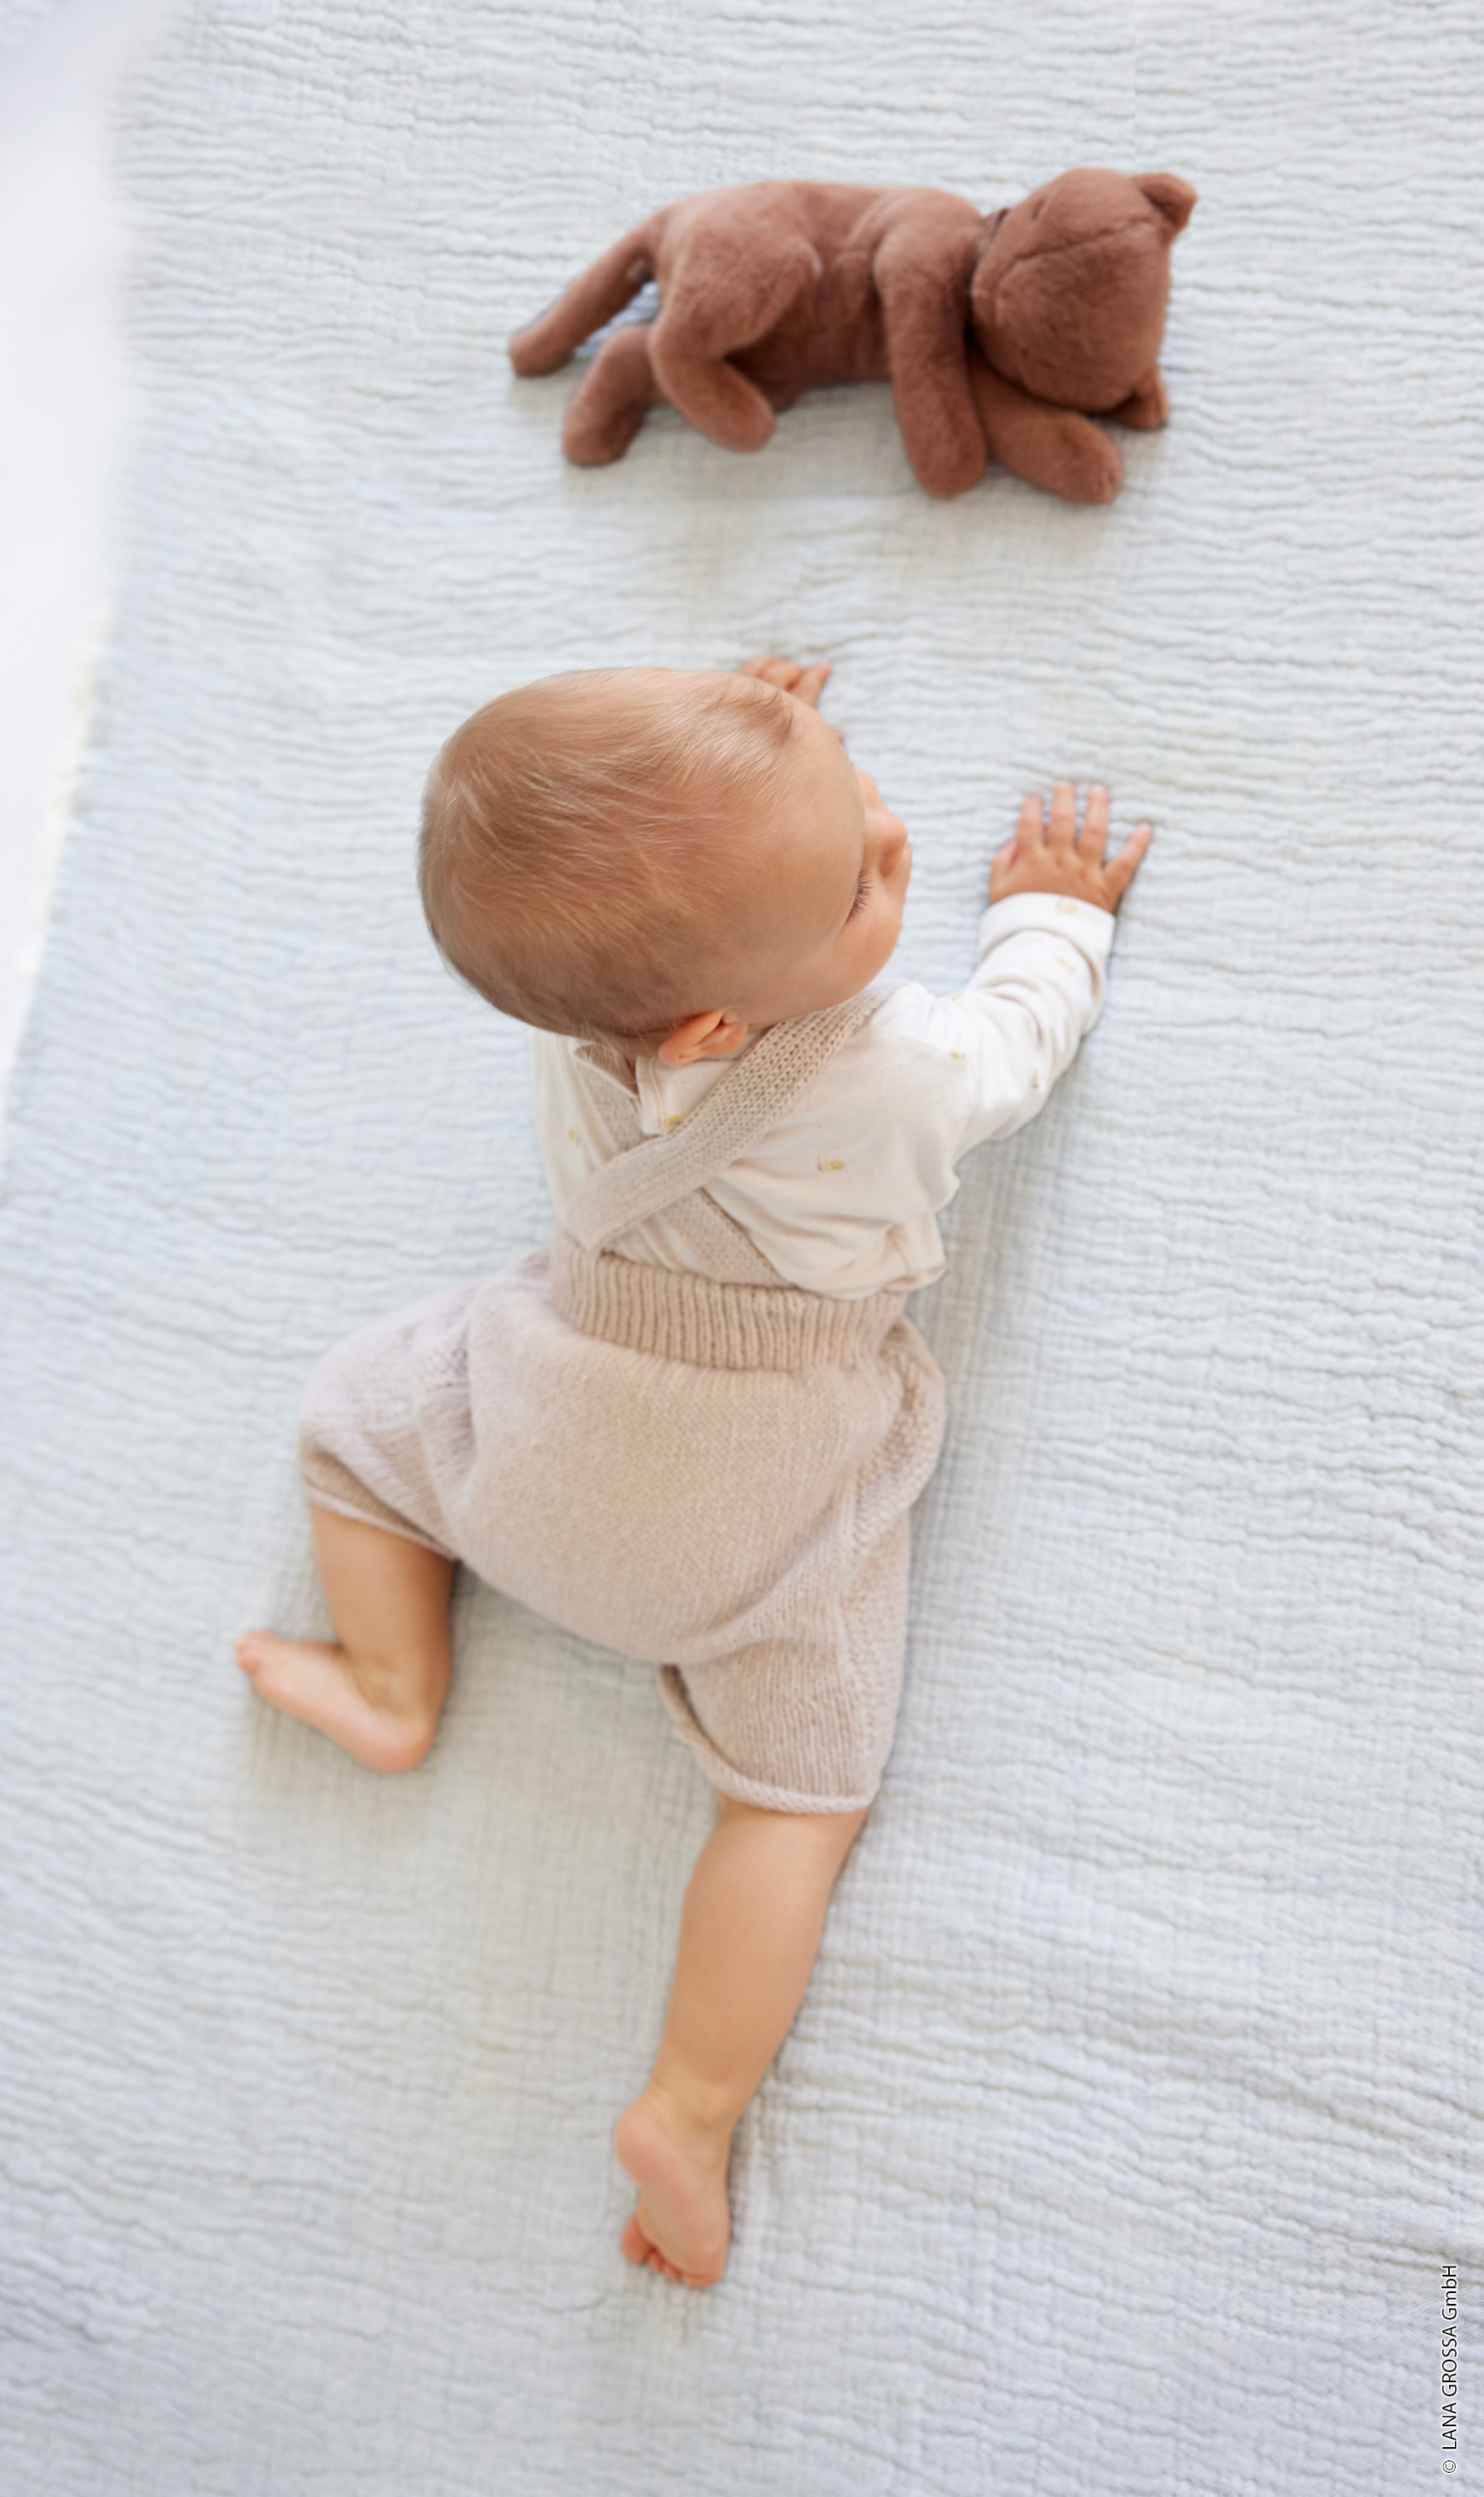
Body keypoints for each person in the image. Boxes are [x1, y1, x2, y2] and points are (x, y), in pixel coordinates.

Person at [236, 653, 1150, 2287]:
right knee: (799, 1795)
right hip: (747, 1513)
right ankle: (689, 2103)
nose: (891, 835)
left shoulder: (579, 1015)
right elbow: (1021, 1043)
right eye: (858, 882)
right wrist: (1051, 919)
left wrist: (735, 751)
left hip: (531, 1441)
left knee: (360, 1414)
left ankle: (388, 1679)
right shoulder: (898, 1069)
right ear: (721, 1018)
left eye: (849, 778)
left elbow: (627, 862)